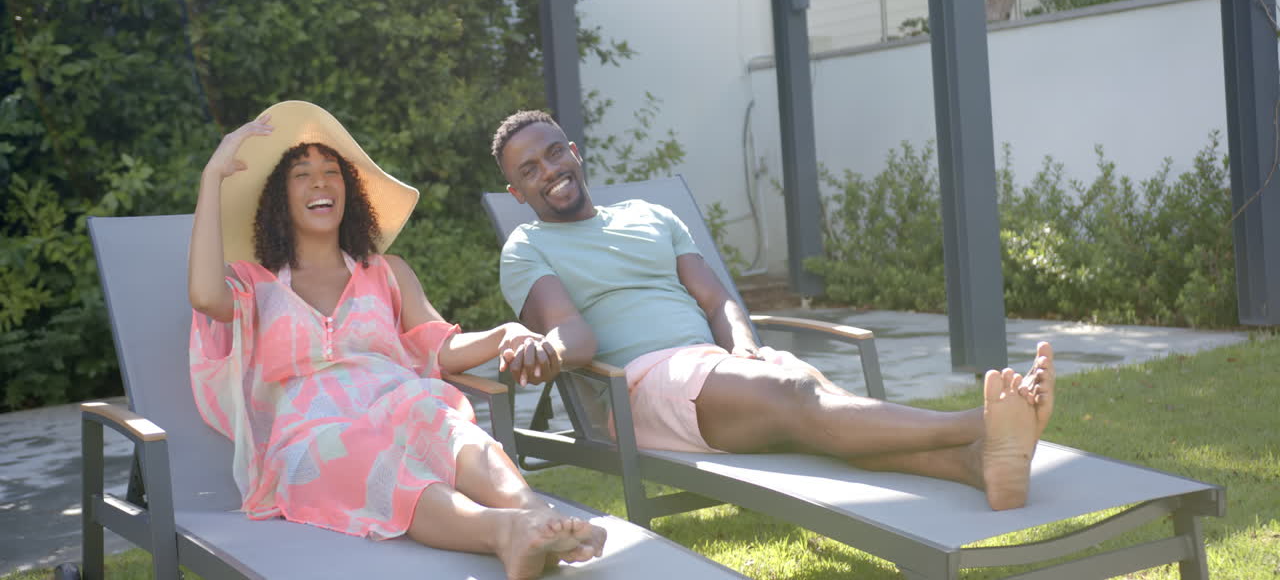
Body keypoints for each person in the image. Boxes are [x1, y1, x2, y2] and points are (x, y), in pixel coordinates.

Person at [490, 109, 1056, 512]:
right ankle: (982, 422)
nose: (548, 170)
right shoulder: (528, 247)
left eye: (553, 152)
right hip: (640, 388)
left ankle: (979, 465)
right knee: (805, 400)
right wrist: (548, 352)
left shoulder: (652, 215)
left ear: (575, 152)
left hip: (717, 365)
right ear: (517, 192)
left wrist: (745, 348)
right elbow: (573, 336)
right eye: (528, 170)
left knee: (825, 412)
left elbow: (717, 300)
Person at [187, 100, 604, 580]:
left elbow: (439, 348)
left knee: (442, 420)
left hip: (397, 403)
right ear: (279, 198)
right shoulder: (253, 283)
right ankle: (503, 532)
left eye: (332, 172)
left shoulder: (387, 272)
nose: (320, 182)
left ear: (349, 191)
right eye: (302, 174)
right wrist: (214, 174)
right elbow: (202, 294)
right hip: (313, 438)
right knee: (374, 460)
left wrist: (506, 333)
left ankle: (536, 515)